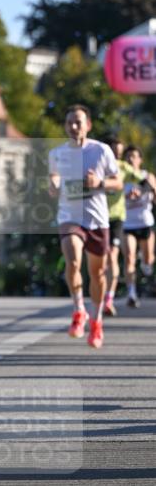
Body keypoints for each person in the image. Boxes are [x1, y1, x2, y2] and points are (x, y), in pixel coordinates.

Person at [48, 105, 122, 349]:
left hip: (97, 220)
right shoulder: (57, 153)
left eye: (78, 122)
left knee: (97, 273)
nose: (73, 126)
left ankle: (96, 320)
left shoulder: (101, 150)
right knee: (73, 260)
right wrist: (53, 185)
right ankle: (79, 309)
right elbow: (54, 179)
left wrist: (99, 182)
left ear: (88, 125)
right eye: (69, 122)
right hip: (69, 217)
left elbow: (118, 182)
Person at [102, 137, 149, 315]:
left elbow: (146, 183)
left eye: (119, 154)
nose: (117, 157)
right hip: (100, 218)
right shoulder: (96, 167)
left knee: (116, 257)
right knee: (114, 260)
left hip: (123, 220)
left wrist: (142, 191)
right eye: (113, 153)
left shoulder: (124, 168)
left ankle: (109, 297)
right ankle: (120, 295)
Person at [122, 145, 156, 307]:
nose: (131, 159)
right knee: (129, 257)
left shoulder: (147, 176)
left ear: (140, 160)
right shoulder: (120, 179)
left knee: (148, 260)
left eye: (134, 156)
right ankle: (131, 293)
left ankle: (145, 261)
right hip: (127, 224)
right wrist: (126, 196)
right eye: (128, 156)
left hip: (145, 223)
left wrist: (148, 189)